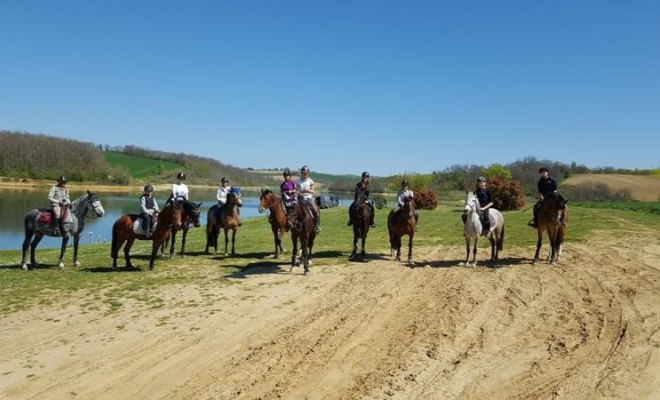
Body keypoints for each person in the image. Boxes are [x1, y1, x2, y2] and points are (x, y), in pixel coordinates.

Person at [297, 165, 321, 233]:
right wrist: (299, 193)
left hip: (309, 198)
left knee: (316, 211)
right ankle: (294, 225)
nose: (305, 174)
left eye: (306, 173)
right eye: (303, 173)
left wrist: (307, 190)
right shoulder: (298, 181)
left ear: (308, 173)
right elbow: (297, 191)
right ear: (301, 173)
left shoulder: (310, 181)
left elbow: (313, 191)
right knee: (294, 211)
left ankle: (317, 225)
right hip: (301, 199)